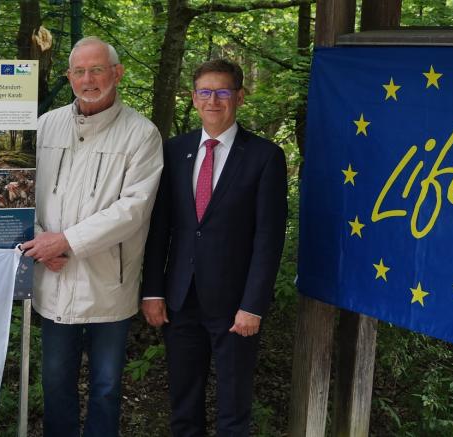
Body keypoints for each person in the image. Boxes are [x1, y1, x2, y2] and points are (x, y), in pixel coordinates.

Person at [19, 36, 163, 436]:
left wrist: (65, 241)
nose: (88, 79)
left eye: (97, 70)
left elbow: (133, 209)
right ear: (68, 77)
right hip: (54, 279)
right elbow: (19, 191)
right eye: (79, 71)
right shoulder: (45, 126)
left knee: (106, 387)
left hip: (108, 285)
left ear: (117, 73)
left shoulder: (141, 134)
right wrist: (40, 242)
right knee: (55, 382)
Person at [141, 59, 288, 436]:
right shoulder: (174, 151)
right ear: (193, 98)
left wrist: (253, 305)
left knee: (233, 409)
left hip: (235, 305)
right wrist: (153, 291)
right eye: (205, 92)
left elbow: (268, 238)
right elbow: (159, 227)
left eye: (222, 92)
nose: (213, 100)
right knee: (183, 406)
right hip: (180, 299)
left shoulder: (264, 156)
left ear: (239, 97)